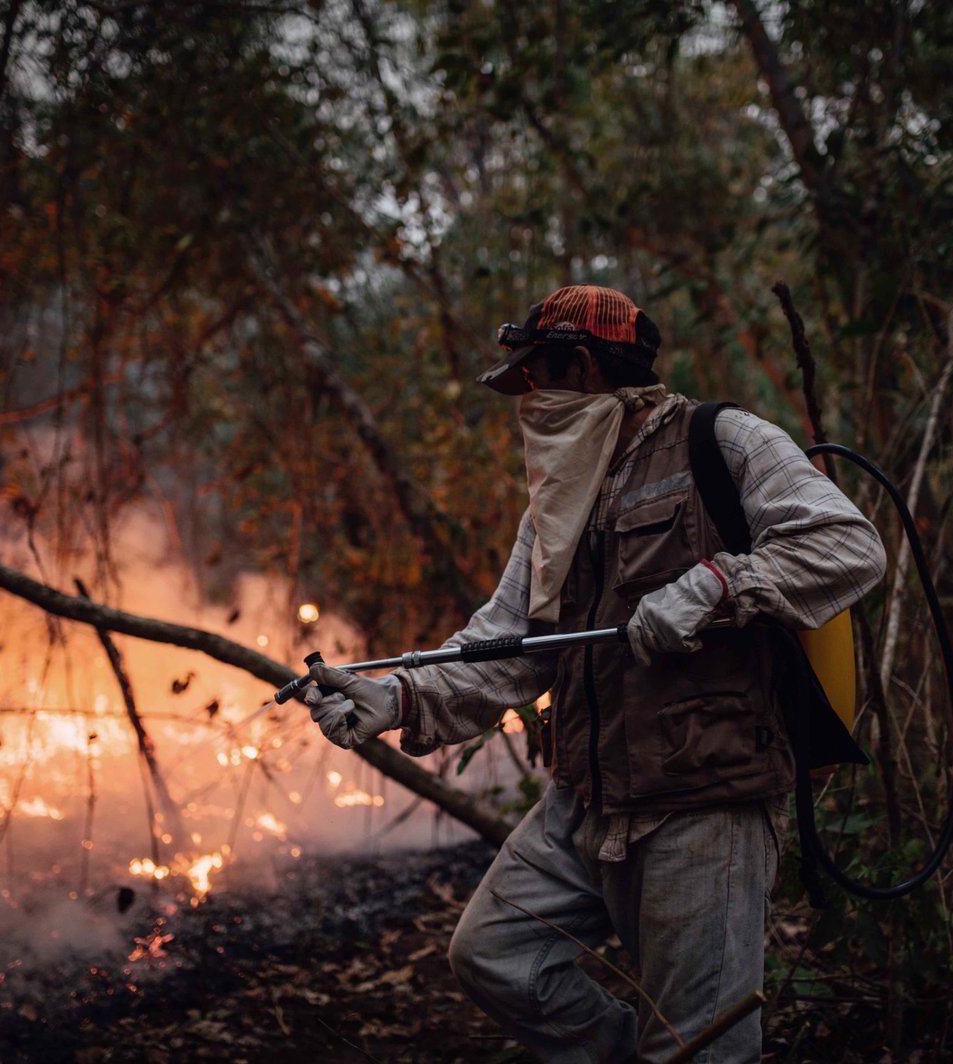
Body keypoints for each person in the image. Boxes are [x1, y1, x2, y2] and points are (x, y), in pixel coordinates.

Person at [304, 285, 886, 1062]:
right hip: (584, 803)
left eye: (536, 379)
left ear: (581, 365)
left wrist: (718, 585)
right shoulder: (561, 492)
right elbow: (512, 639)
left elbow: (850, 547)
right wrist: (400, 695)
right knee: (494, 956)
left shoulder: (728, 441)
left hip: (703, 809)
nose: (528, 403)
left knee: (701, 1047)